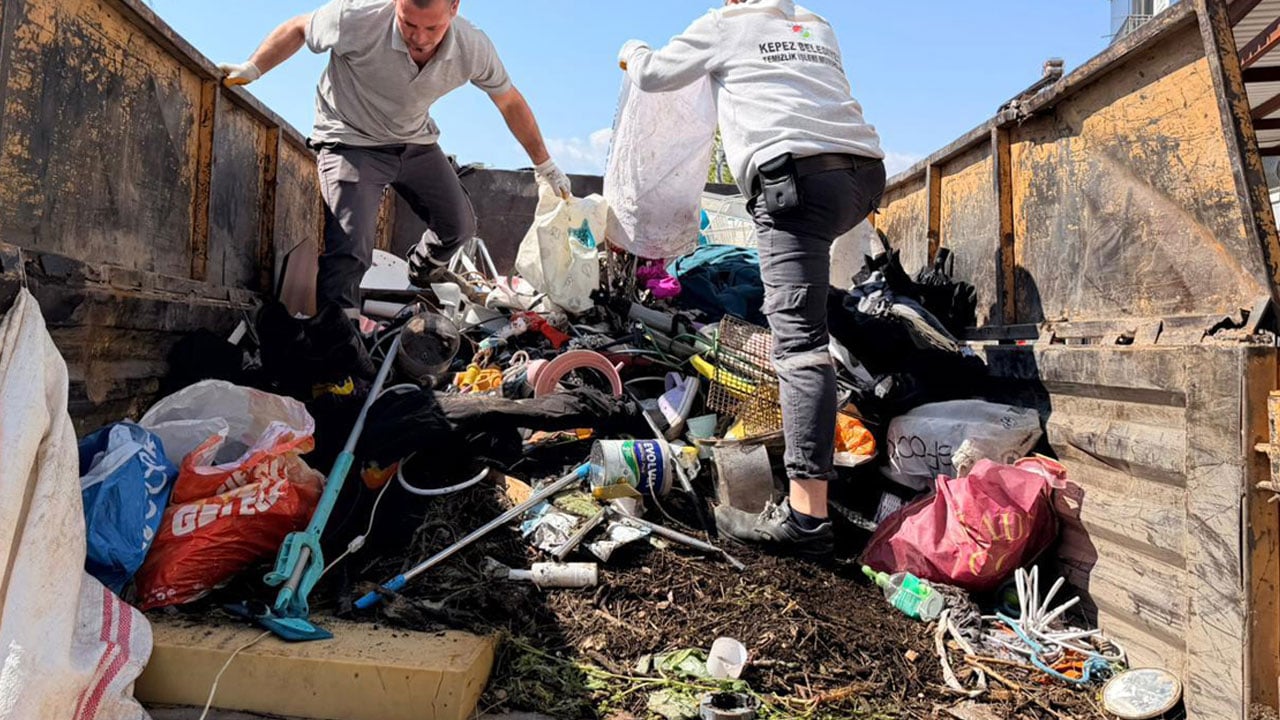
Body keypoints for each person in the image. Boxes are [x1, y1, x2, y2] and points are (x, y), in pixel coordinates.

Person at [619, 0, 885, 559]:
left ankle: (807, 521)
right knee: (811, 319)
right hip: (861, 177)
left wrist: (630, 51)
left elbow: (652, 74)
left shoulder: (725, 24)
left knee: (799, 351)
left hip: (797, 185)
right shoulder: (816, 23)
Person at [220, 0, 573, 315]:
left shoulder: (473, 46)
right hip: (351, 140)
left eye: (431, 28)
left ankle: (419, 272)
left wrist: (545, 165)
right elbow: (299, 26)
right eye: (408, 23)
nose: (419, 38)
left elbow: (508, 101)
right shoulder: (355, 16)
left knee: (459, 226)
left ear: (454, 8)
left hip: (414, 142)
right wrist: (254, 68)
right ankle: (337, 349)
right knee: (350, 249)